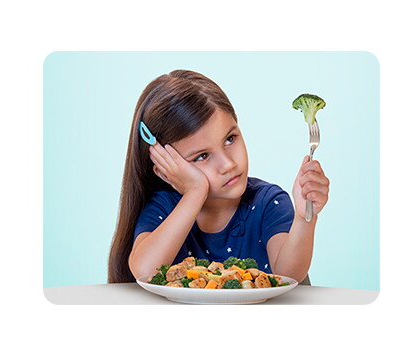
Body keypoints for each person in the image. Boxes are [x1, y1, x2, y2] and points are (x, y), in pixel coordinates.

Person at [108, 70, 330, 284]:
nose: (228, 164)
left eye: (230, 139)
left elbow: (288, 275)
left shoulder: (267, 202)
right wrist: (195, 192)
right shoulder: (165, 208)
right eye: (202, 156)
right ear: (165, 169)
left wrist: (303, 218)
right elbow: (144, 270)